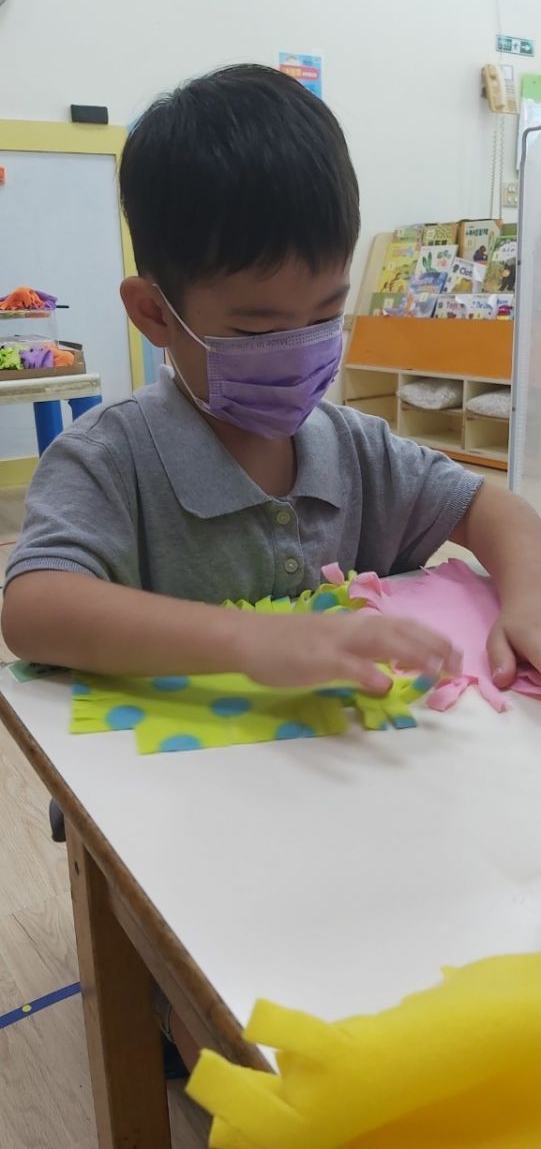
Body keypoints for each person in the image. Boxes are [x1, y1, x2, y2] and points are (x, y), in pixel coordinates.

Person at [3, 62, 541, 1068]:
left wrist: (526, 600)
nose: (299, 351)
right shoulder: (112, 458)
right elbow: (33, 606)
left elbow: (494, 509)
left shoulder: (355, 447)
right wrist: (259, 641)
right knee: (235, 1033)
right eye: (256, 329)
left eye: (324, 314)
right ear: (153, 313)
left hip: (339, 799)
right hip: (172, 829)